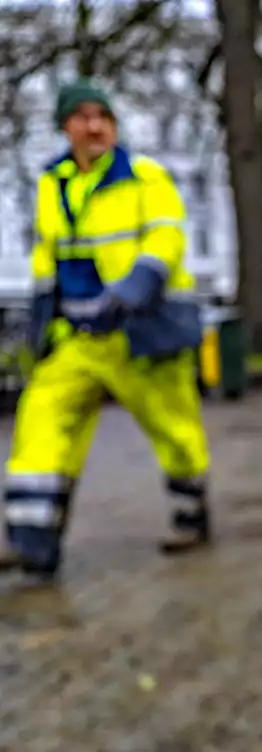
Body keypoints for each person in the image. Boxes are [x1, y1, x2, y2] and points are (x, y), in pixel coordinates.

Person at [0, 80, 212, 581]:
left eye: (103, 117)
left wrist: (134, 287)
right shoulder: (54, 183)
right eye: (82, 116)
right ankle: (33, 539)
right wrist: (42, 320)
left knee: (174, 430)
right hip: (77, 337)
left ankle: (191, 513)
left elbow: (166, 236)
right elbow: (48, 256)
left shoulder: (145, 177)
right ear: (65, 126)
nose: (94, 126)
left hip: (141, 332)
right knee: (40, 420)